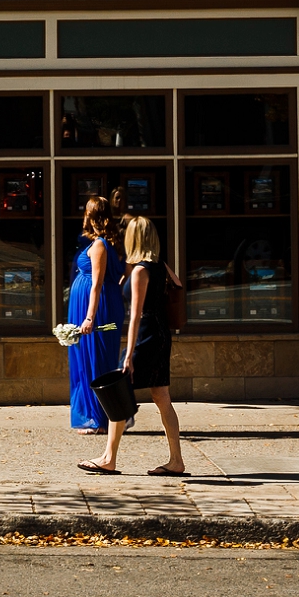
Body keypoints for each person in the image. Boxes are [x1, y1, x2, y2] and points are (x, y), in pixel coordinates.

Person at [80, 218, 185, 476]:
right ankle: (176, 461)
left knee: (118, 390)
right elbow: (179, 285)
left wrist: (128, 355)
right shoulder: (157, 265)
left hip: (146, 335)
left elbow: (136, 315)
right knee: (161, 397)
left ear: (133, 239)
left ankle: (109, 458)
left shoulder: (140, 272)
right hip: (161, 335)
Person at [67, 195, 127, 434]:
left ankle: (98, 418)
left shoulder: (101, 244)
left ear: (92, 215)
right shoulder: (105, 243)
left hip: (97, 308)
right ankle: (97, 415)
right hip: (97, 305)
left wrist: (90, 317)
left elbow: (97, 284)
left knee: (97, 359)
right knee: (88, 358)